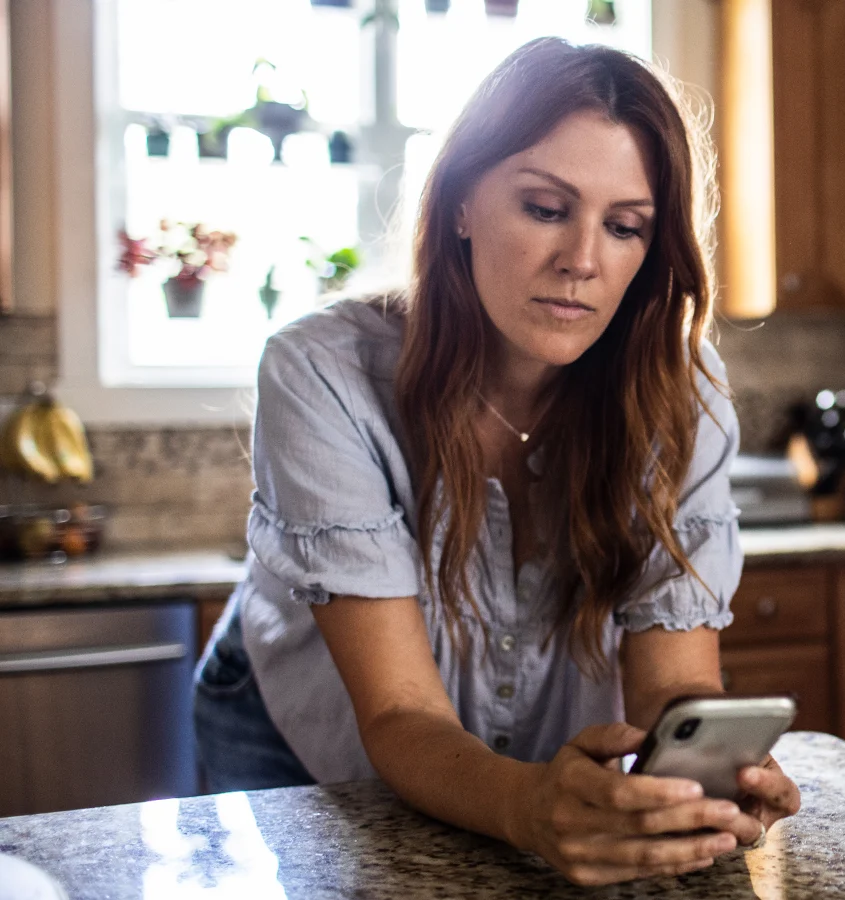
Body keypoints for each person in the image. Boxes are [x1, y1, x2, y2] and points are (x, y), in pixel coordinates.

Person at [192, 37, 800, 886]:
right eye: (546, 208)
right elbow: (401, 712)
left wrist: (705, 774)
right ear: (461, 203)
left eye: (625, 227)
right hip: (299, 724)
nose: (583, 260)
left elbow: (676, 684)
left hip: (529, 751)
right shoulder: (321, 372)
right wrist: (525, 808)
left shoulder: (678, 388)